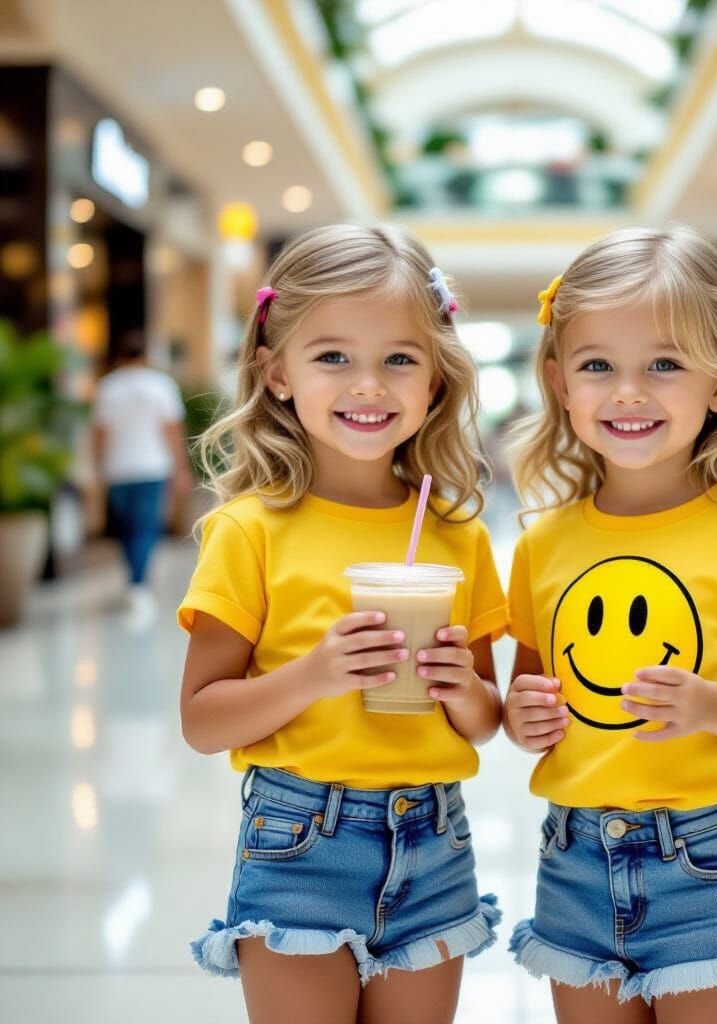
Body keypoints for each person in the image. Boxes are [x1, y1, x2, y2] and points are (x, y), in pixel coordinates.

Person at [502, 226, 717, 1023]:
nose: (629, 392)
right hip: (574, 860)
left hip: (712, 864)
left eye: (664, 364)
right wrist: (523, 718)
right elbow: (530, 697)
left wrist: (708, 705)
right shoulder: (544, 542)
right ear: (559, 382)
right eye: (598, 366)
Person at [177, 225, 508, 1024]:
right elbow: (202, 720)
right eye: (333, 357)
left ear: (437, 380)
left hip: (434, 841)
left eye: (400, 358)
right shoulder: (250, 529)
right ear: (277, 373)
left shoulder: (458, 535)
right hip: (298, 838)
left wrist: (463, 687)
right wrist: (314, 675)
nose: (369, 384)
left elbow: (486, 721)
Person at [91, 330, 192, 617]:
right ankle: (138, 582)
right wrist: (181, 468)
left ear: (120, 356)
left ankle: (135, 581)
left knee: (127, 528)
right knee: (145, 526)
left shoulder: (107, 387)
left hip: (118, 469)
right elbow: (173, 430)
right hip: (152, 466)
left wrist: (99, 467)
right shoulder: (161, 385)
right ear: (145, 356)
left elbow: (100, 433)